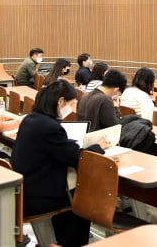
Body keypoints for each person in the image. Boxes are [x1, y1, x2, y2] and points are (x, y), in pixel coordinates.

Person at [11, 80, 110, 247]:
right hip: (36, 197)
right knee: (82, 203)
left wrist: (66, 145)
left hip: (23, 189)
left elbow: (56, 149)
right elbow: (77, 158)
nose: (72, 109)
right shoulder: (50, 127)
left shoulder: (31, 119)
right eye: (72, 104)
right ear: (61, 101)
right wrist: (98, 147)